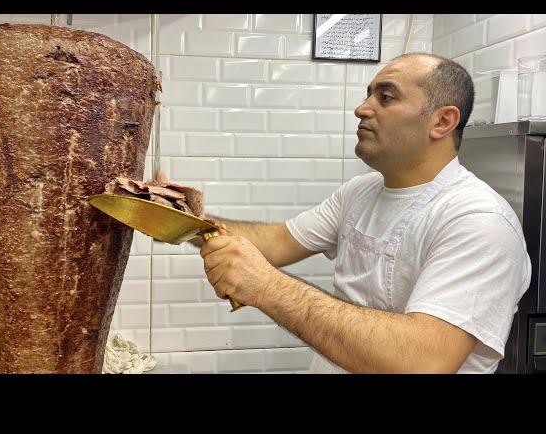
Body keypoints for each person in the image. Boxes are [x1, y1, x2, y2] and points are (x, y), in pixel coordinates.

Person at [160, 53, 531, 373]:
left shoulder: (477, 220)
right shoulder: (361, 192)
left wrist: (267, 287)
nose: (362, 108)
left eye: (385, 97)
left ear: (442, 122)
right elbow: (277, 242)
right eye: (368, 94)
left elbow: (423, 361)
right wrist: (181, 217)